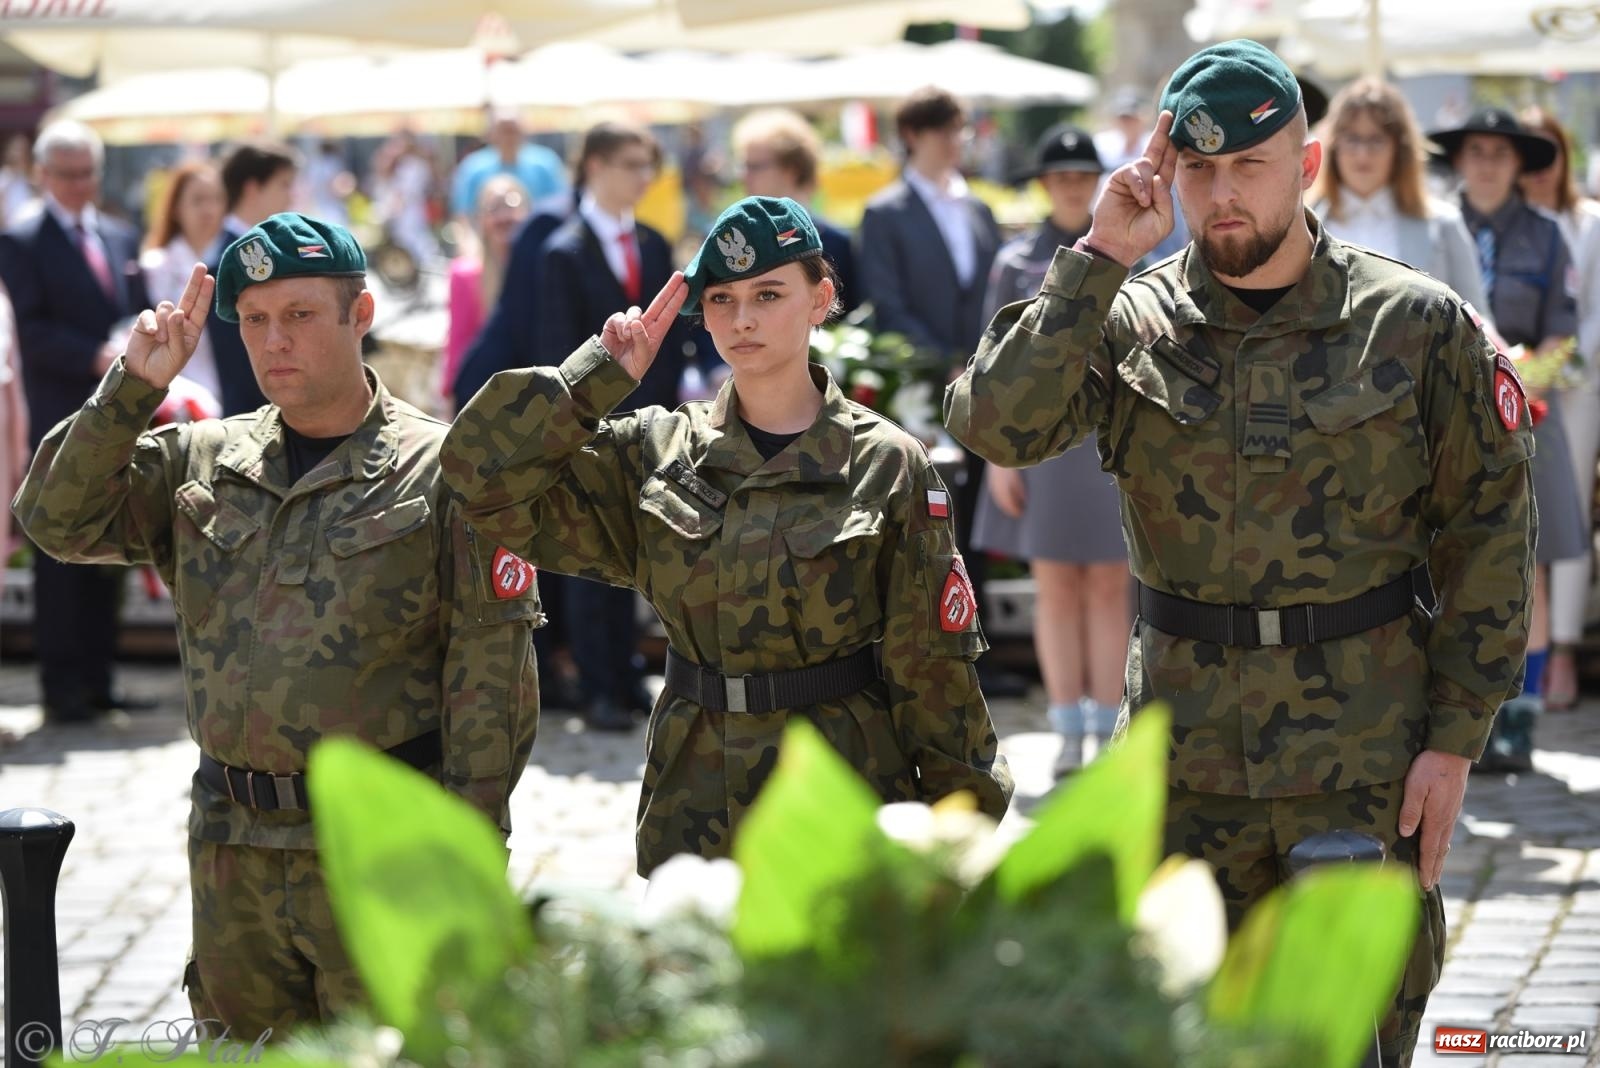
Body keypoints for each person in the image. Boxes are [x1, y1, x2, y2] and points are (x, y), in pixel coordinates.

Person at [946, 41, 1534, 1067]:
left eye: (1247, 168)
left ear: (1304, 168)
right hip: (1182, 763)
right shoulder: (1129, 317)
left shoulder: (1416, 326)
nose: (1221, 197)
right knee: (1183, 1039)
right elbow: (996, 425)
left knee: (1354, 1035)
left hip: (1361, 757)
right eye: (1199, 171)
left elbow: (1489, 529)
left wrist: (1456, 735)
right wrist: (1094, 259)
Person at [12, 213, 540, 1036]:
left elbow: (489, 680)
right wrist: (131, 388)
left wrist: (468, 854)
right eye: (253, 320)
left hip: (381, 841)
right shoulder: (203, 458)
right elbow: (53, 519)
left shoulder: (444, 470)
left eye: (298, 315)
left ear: (359, 316)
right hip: (233, 849)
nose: (272, 342)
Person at [444, 195, 1013, 874]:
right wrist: (593, 380)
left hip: (840, 783)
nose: (741, 319)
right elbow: (479, 484)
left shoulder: (886, 462)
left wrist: (956, 838)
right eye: (720, 299)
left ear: (820, 298)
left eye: (768, 294)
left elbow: (934, 672)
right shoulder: (657, 450)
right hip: (694, 794)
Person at [533, 121, 703, 732]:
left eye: (647, 165)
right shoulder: (563, 249)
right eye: (632, 163)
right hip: (590, 427)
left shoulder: (655, 245)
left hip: (651, 424)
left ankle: (628, 672)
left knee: (643, 550)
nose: (643, 178)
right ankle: (597, 681)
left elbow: (674, 335)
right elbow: (557, 345)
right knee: (591, 556)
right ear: (596, 165)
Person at [1431, 107, 1586, 770]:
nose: (1488, 163)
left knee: (1531, 567)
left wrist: (1522, 386)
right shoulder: (1436, 226)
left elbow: (1563, 329)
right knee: (1452, 567)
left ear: (1520, 163)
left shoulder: (1548, 235)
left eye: (1501, 152)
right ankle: (1464, 718)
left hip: (1528, 414)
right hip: (1447, 423)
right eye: (1476, 151)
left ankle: (1519, 718)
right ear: (1460, 160)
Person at [970, 124, 1128, 776]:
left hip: (1106, 439)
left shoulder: (1127, 252)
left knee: (1113, 587)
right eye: (1059, 177)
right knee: (1055, 586)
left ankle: (1110, 728)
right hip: (1038, 442)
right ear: (1043, 185)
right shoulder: (1015, 263)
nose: (1070, 186)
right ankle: (1067, 728)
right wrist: (997, 456)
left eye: (1081, 176)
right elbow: (991, 364)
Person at [857, 86, 1013, 694]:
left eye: (962, 130)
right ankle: (928, 660)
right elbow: (886, 302)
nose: (959, 141)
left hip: (982, 387)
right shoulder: (886, 210)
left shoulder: (976, 207)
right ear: (914, 135)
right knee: (924, 524)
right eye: (948, 130)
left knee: (979, 522)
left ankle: (980, 658)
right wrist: (946, 361)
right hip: (922, 390)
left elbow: (998, 295)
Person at [0, 120, 150, 724]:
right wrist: (92, 353)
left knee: (105, 547)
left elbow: (124, 311)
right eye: (67, 174)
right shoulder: (21, 239)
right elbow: (26, 332)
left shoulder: (118, 233)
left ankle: (99, 677)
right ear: (42, 174)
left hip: (114, 420)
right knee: (57, 559)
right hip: (55, 416)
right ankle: (62, 687)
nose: (80, 184)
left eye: (88, 172)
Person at [1517, 106, 1600, 711]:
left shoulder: (1587, 223)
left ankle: (1564, 650)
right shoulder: (1506, 223)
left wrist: (1543, 375)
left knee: (1564, 516)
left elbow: (1590, 316)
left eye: (1550, 151)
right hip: (1513, 392)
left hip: (1574, 392)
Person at [1307, 78, 1488, 313]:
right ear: (1333, 146)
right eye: (1352, 139)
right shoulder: (1304, 224)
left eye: (1376, 140)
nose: (1363, 154)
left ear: (1399, 149)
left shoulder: (1444, 223)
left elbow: (1478, 319)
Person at [732, 107, 860, 315]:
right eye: (743, 166)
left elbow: (849, 319)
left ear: (791, 171)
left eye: (754, 166)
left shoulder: (835, 243)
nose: (743, 176)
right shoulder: (728, 238)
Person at [215, 141, 299, 416]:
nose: (290, 197)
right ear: (253, 188)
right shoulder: (231, 255)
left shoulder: (252, 249)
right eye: (283, 185)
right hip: (249, 412)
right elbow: (235, 356)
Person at [140, 160, 228, 411]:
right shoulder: (154, 267)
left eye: (216, 199)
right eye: (198, 200)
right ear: (177, 207)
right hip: (177, 400)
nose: (208, 210)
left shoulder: (235, 263)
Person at [442, 174, 529, 406]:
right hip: (487, 396)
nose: (503, 216)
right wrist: (449, 392)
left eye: (510, 205)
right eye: (493, 208)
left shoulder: (543, 268)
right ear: (481, 218)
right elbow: (458, 340)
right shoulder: (465, 274)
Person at [449, 109, 569, 225]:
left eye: (512, 131)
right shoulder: (473, 167)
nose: (508, 137)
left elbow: (562, 206)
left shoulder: (545, 164)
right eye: (503, 131)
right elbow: (462, 214)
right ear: (491, 134)